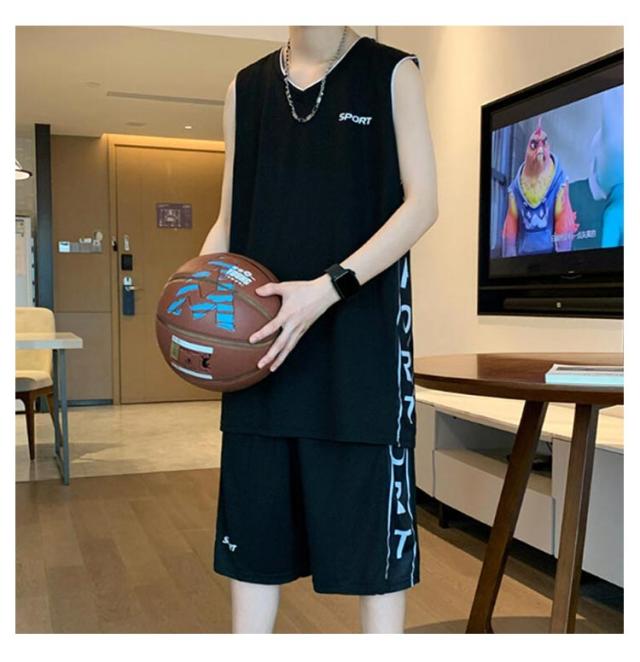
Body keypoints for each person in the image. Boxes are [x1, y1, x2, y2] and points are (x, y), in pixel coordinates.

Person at [200, 25, 438, 634]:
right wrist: (196, 296)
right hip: (262, 353)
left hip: (360, 354)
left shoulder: (393, 72)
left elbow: (422, 205)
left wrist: (328, 288)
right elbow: (229, 219)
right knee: (254, 550)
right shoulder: (244, 88)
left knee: (374, 558)